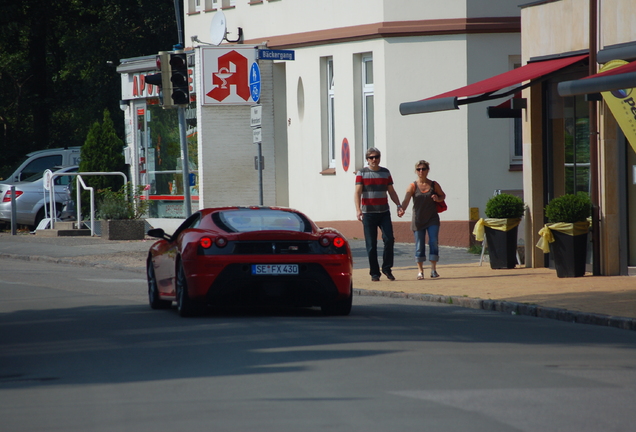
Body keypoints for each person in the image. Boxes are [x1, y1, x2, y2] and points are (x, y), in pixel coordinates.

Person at [354, 148, 404, 282]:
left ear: (380, 158)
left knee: (389, 239)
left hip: (384, 213)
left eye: (376, 157)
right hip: (368, 213)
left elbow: (391, 191)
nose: (374, 160)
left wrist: (399, 205)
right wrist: (358, 210)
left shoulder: (385, 172)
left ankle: (387, 268)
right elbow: (358, 193)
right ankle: (374, 273)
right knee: (371, 245)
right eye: (371, 157)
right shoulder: (362, 173)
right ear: (367, 159)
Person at [398, 160, 446, 280]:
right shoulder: (413, 186)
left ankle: (433, 269)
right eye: (419, 169)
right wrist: (401, 209)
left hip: (432, 219)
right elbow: (407, 198)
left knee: (433, 242)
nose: (421, 171)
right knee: (419, 245)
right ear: (416, 171)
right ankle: (420, 271)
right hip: (418, 220)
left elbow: (443, 196)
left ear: (427, 170)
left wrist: (437, 198)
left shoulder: (434, 184)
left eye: (423, 169)